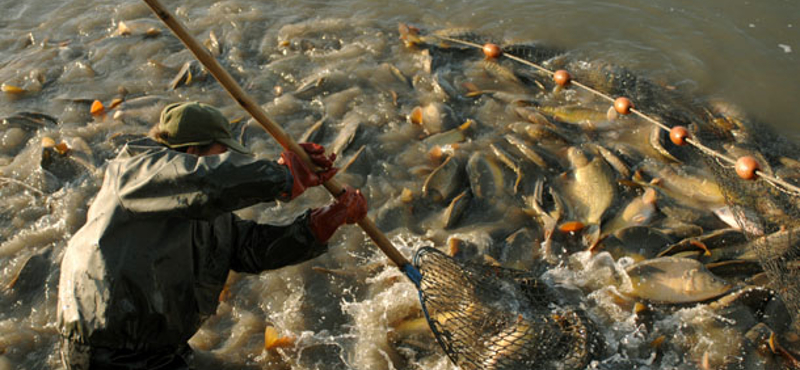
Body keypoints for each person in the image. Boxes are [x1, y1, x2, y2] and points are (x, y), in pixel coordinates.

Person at [57, 101, 367, 369]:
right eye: (223, 155)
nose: (232, 164)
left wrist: (324, 222)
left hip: (165, 350)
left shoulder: (208, 209)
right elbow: (205, 180)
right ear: (192, 151)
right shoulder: (135, 172)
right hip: (106, 352)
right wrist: (283, 176)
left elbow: (250, 248)